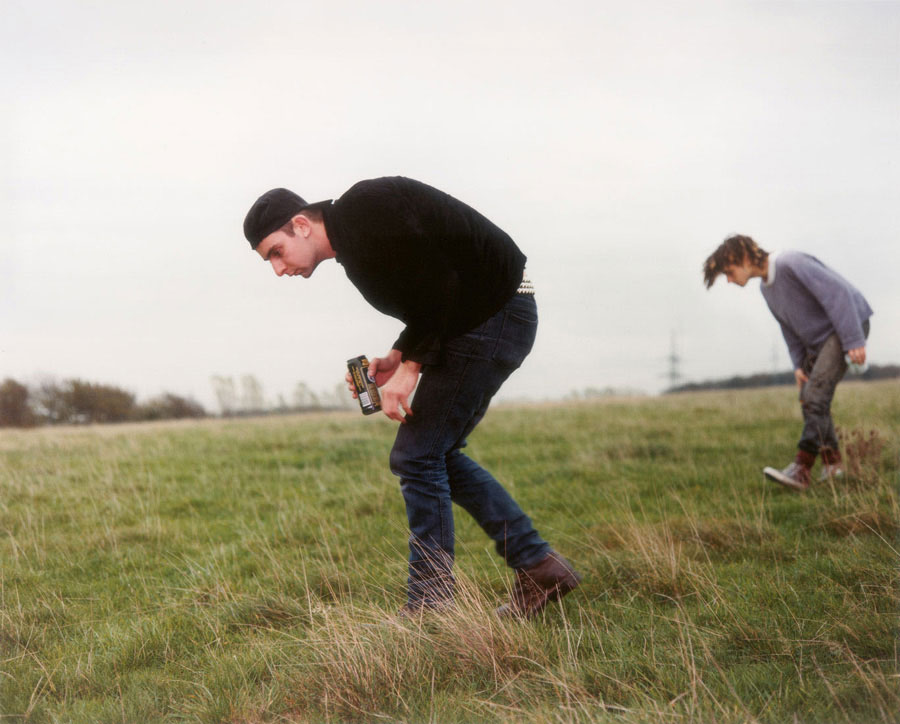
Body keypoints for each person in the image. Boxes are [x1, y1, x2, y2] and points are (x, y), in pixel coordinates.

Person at [242, 176, 581, 617]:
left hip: (494, 315)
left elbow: (444, 281)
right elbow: (429, 299)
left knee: (418, 457)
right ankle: (538, 567)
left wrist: (411, 370)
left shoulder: (365, 208)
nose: (278, 269)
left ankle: (429, 604)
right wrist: (397, 357)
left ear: (301, 225)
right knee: (433, 454)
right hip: (488, 319)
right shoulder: (355, 248)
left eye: (276, 252)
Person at [703, 235, 873, 491]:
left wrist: (853, 339)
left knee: (816, 396)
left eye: (729, 271)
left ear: (745, 257)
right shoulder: (766, 289)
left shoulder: (790, 263)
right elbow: (789, 328)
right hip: (823, 340)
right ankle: (833, 465)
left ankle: (801, 469)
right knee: (809, 396)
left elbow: (838, 294)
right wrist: (798, 365)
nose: (728, 279)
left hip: (845, 328)